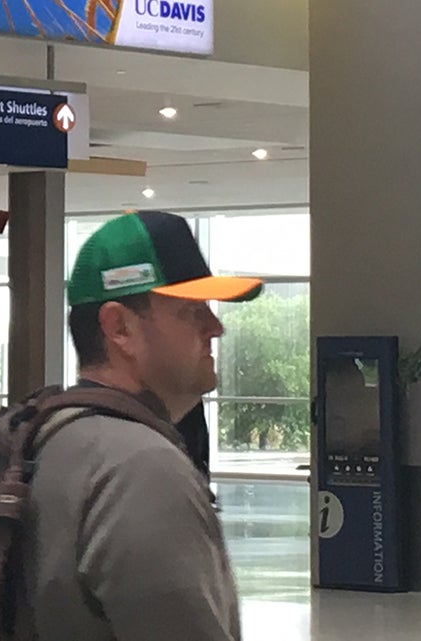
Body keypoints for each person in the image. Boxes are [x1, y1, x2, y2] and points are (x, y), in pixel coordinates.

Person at [21, 211, 262, 641]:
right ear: (120, 328)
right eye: (191, 311)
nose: (216, 327)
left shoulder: (49, 434)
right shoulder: (141, 468)